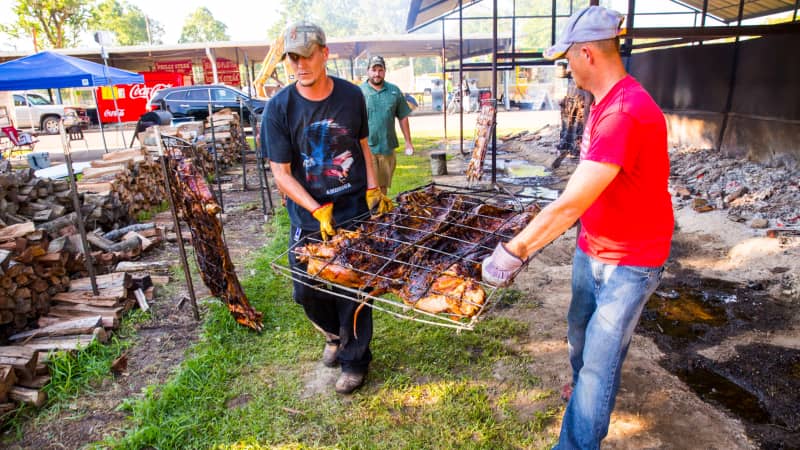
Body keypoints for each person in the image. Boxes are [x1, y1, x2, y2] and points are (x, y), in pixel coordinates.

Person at [481, 6, 674, 449]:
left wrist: (515, 250)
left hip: (631, 260)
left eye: (567, 57)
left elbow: (570, 204)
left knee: (599, 364)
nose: (566, 66)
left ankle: (575, 440)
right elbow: (592, 187)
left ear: (586, 53)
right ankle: (584, 391)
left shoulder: (623, 112)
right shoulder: (603, 102)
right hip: (595, 247)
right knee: (579, 334)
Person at [261, 22, 392, 395]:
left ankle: (354, 361)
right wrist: (316, 208)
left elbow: (362, 147)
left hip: (352, 208)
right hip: (308, 215)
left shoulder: (352, 97)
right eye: (292, 57)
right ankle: (334, 334)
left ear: (324, 54)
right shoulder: (279, 108)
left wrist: (372, 188)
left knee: (353, 289)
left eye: (307, 55)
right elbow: (282, 174)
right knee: (306, 291)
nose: (300, 64)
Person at [360, 55, 415, 195]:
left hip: (387, 147)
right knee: (371, 186)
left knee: (383, 185)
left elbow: (403, 117)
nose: (377, 73)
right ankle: (372, 213)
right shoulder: (359, 92)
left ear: (384, 71)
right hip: (367, 147)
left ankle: (382, 213)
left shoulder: (394, 91)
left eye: (380, 70)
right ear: (368, 71)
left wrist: (408, 142)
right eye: (374, 69)